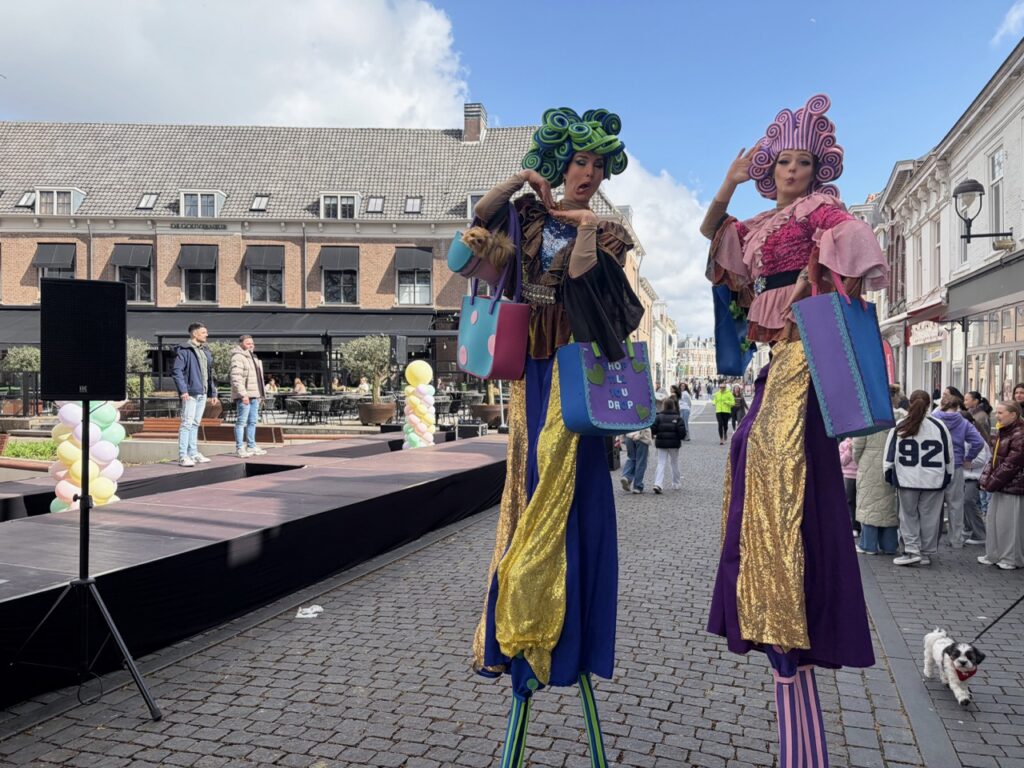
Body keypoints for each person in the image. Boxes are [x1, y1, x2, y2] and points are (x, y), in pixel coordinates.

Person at [704, 94, 885, 764]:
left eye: (804, 162)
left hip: (808, 337)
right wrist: (727, 179)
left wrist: (840, 278)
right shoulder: (755, 222)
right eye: (783, 161)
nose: (793, 171)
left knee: (773, 446)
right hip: (776, 344)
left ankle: (786, 579)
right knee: (749, 447)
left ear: (817, 169)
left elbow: (857, 252)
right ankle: (763, 569)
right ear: (769, 168)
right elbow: (712, 239)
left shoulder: (824, 212)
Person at [469, 107, 640, 765]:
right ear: (561, 162)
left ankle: (550, 622)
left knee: (564, 492)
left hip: (576, 374)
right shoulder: (528, 217)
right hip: (529, 375)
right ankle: (521, 623)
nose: (590, 174)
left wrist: (587, 225)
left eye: (599, 167)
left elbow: (579, 281)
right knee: (527, 485)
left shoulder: (610, 231)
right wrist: (520, 181)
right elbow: (475, 235)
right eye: (580, 164)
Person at [884, 390, 953, 566]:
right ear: (929, 404)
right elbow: (948, 455)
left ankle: (911, 550)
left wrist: (888, 472)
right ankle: (925, 552)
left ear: (910, 403)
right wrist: (948, 475)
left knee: (908, 516)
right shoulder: (939, 426)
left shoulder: (901, 425)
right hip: (934, 479)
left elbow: (890, 453)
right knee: (930, 517)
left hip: (907, 478)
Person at [931, 387, 985, 549]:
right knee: (956, 504)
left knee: (934, 505)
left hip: (935, 466)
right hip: (956, 466)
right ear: (958, 407)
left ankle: (933, 538)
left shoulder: (933, 420)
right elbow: (979, 442)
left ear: (942, 405)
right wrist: (969, 458)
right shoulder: (963, 422)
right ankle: (956, 540)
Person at [853, 400, 905, 556]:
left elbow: (857, 447)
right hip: (892, 465)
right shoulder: (900, 419)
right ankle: (889, 546)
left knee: (868, 504)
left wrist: (860, 461)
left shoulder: (867, 420)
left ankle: (868, 545)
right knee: (889, 506)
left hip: (870, 465)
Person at [978, 400, 1024, 569]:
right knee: (994, 521)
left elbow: (1012, 464)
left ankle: (1010, 558)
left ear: (1013, 415)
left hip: (1013, 485)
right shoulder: (1004, 431)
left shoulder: (1019, 434)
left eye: (1000, 413)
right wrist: (987, 480)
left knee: (1009, 524)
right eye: (996, 412)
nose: (997, 416)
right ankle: (994, 554)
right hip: (1001, 484)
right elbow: (995, 459)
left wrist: (991, 482)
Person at [171, 322, 216, 468]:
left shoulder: (205, 351)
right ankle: (183, 456)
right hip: (190, 393)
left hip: (202, 393)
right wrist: (183, 391)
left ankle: (194, 453)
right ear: (195, 334)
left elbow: (209, 374)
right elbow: (177, 372)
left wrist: (213, 392)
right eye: (204, 332)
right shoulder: (184, 351)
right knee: (186, 424)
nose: (207, 335)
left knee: (195, 424)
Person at [229, 335, 268, 458]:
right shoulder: (238, 357)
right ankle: (240, 448)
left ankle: (251, 445)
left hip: (254, 395)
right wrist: (243, 394)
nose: (251, 345)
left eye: (252, 343)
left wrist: (261, 395)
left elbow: (258, 379)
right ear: (241, 344)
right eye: (248, 343)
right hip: (244, 396)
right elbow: (236, 377)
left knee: (252, 421)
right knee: (241, 422)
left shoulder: (254, 357)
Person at [652, 397, 686, 493]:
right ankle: (676, 483)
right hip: (674, 444)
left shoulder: (658, 417)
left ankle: (658, 484)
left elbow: (653, 430)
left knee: (661, 463)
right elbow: (682, 432)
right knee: (674, 463)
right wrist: (678, 438)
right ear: (673, 406)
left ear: (664, 406)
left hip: (661, 443)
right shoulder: (678, 418)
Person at [963, 435, 991, 546]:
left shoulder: (976, 439)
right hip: (966, 476)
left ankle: (980, 533)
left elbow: (980, 460)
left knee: (968, 501)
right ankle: (969, 527)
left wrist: (962, 461)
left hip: (974, 476)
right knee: (964, 502)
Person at [621, 426, 652, 494]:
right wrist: (640, 435)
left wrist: (622, 436)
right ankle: (637, 486)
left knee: (631, 458)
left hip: (629, 435)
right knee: (641, 462)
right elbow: (646, 421)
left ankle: (626, 476)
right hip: (642, 437)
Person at [839, 438, 859, 537]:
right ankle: (853, 526)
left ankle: (859, 526)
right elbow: (842, 461)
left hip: (860, 475)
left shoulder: (861, 441)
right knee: (850, 502)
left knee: (860, 502)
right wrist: (849, 450)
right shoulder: (843, 445)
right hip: (848, 476)